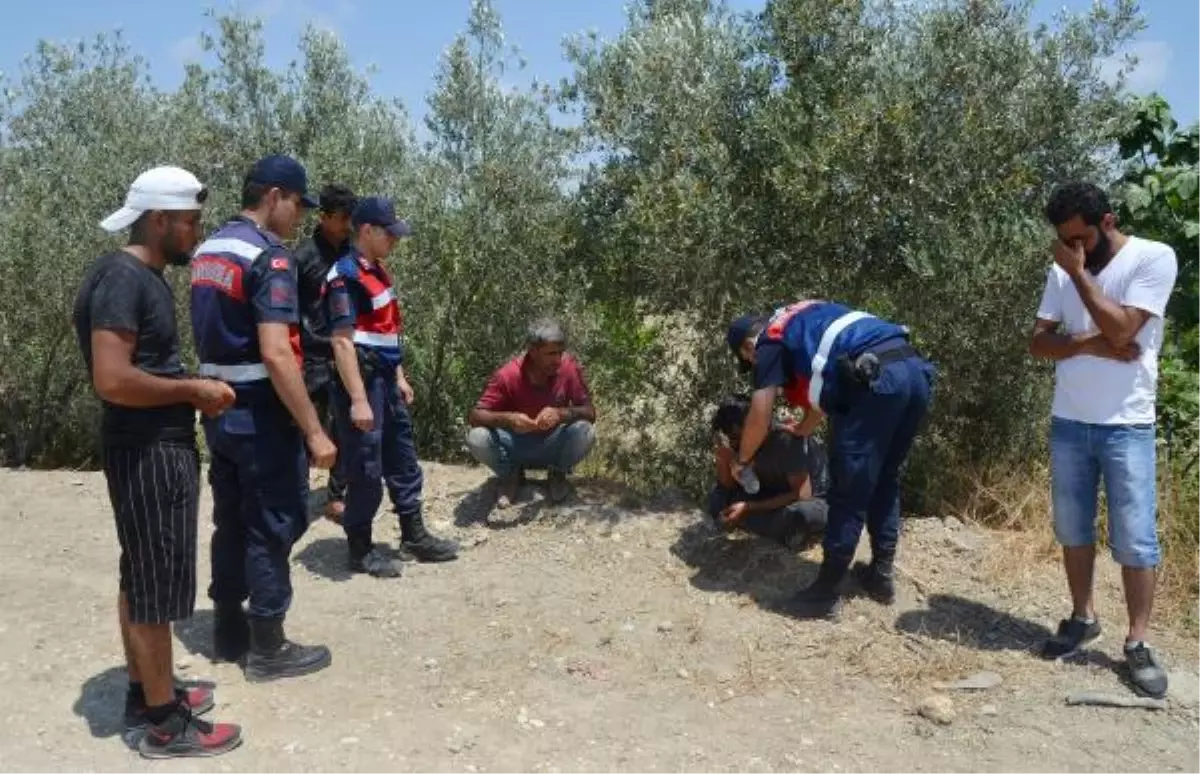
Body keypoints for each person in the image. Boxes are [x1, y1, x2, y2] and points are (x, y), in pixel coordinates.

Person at [72, 165, 242, 758]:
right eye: (191, 222)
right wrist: (193, 390)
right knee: (154, 582)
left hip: (147, 444)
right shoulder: (125, 280)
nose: (196, 233)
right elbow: (113, 379)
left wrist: (188, 388)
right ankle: (165, 723)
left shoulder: (135, 275)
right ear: (160, 219)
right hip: (147, 450)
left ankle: (150, 691)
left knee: (141, 573)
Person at [189, 154, 336, 682]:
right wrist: (314, 430)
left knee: (230, 518)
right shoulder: (270, 258)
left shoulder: (208, 250)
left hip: (219, 410)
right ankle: (269, 645)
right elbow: (276, 353)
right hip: (259, 413)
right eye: (297, 204)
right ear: (273, 196)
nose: (298, 217)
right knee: (272, 522)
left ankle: (229, 630)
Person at [1029, 181, 1177, 698]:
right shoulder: (1063, 268)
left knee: (1135, 536)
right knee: (1073, 529)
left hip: (1127, 423)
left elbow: (1124, 331)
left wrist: (1079, 279)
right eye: (1065, 243)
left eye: (1082, 240)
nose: (1074, 251)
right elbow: (1038, 343)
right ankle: (1081, 617)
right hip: (1070, 419)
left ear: (1108, 222)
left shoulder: (1153, 259)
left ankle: (1137, 643)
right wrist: (1091, 341)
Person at [726, 299, 934, 619]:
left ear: (748, 348)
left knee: (849, 490)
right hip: (913, 371)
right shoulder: (803, 318)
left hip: (875, 382)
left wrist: (742, 460)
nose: (755, 365)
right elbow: (828, 380)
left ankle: (823, 593)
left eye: (748, 360)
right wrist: (804, 429)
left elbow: (760, 411)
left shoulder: (768, 343)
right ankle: (880, 576)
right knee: (884, 479)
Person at [325, 196, 459, 576]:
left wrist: (399, 376)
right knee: (366, 466)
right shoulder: (345, 276)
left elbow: (386, 332)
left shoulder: (378, 272)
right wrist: (357, 400)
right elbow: (342, 342)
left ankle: (414, 535)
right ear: (367, 231)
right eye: (390, 234)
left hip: (384, 380)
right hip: (363, 384)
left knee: (402, 456)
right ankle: (360, 548)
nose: (396, 241)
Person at [466, 318, 597, 507]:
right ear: (533, 351)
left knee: (585, 431)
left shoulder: (568, 368)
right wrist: (509, 419)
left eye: (560, 353)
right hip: (514, 445)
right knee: (477, 437)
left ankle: (558, 473)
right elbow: (475, 416)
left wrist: (561, 414)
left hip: (553, 444)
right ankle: (510, 475)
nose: (557, 360)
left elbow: (590, 413)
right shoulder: (508, 375)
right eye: (551, 354)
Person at [295, 184, 358, 523]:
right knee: (306, 426)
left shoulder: (354, 255)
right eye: (344, 217)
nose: (349, 224)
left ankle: (337, 497)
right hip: (311, 355)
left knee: (346, 425)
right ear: (324, 217)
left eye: (352, 217)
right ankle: (295, 494)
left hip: (345, 352)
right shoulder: (303, 258)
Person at [707, 393, 829, 550]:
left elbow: (802, 494)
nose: (735, 443)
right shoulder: (737, 445)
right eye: (731, 438)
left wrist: (749, 507)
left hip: (814, 499)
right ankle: (767, 525)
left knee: (798, 516)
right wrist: (723, 460)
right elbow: (727, 487)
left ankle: (769, 525)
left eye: (738, 437)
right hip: (770, 492)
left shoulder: (787, 440)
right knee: (718, 498)